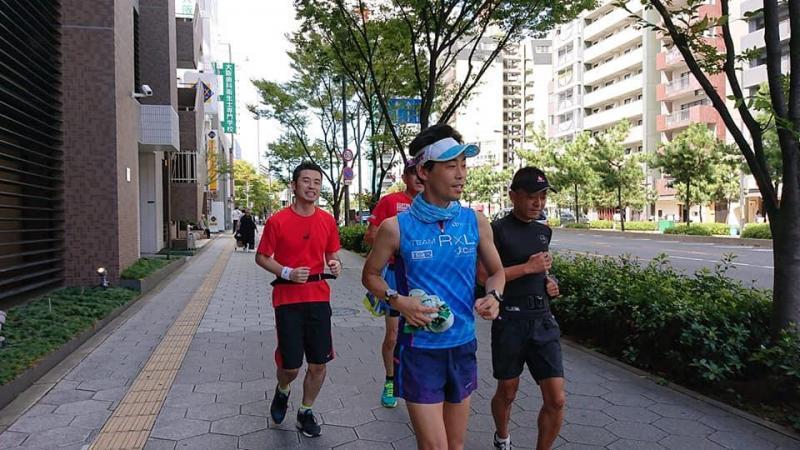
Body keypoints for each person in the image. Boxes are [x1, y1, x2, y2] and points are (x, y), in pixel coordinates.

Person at [362, 124, 506, 450]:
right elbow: (370, 275)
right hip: (420, 350)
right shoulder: (396, 227)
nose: (461, 174)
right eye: (451, 166)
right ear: (424, 172)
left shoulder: (475, 221)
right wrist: (398, 301)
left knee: (455, 446)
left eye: (464, 165)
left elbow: (496, 273)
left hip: (463, 346)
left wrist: (494, 296)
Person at [478, 167, 564, 450]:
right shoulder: (496, 231)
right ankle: (502, 437)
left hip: (543, 320)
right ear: (513, 195)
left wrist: (550, 281)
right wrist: (527, 268)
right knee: (507, 391)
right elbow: (483, 276)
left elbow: (541, 271)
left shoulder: (543, 231)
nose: (538, 203)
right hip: (510, 321)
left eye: (543, 196)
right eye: (531, 196)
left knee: (556, 399)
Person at [255, 162, 342, 438]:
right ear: (294, 185)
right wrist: (287, 272)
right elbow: (261, 257)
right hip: (287, 300)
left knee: (318, 364)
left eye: (317, 182)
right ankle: (283, 390)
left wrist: (335, 264)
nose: (312, 186)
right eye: (306, 181)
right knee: (290, 366)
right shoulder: (277, 221)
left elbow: (332, 254)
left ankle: (306, 411)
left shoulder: (327, 220)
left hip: (318, 298)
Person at [363, 159, 425, 408]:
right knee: (393, 335)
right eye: (413, 173)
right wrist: (396, 244)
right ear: (404, 177)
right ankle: (390, 380)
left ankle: (419, 380)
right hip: (394, 276)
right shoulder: (390, 202)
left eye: (422, 172)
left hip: (424, 278)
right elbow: (370, 236)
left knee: (423, 332)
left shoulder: (437, 204)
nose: (418, 178)